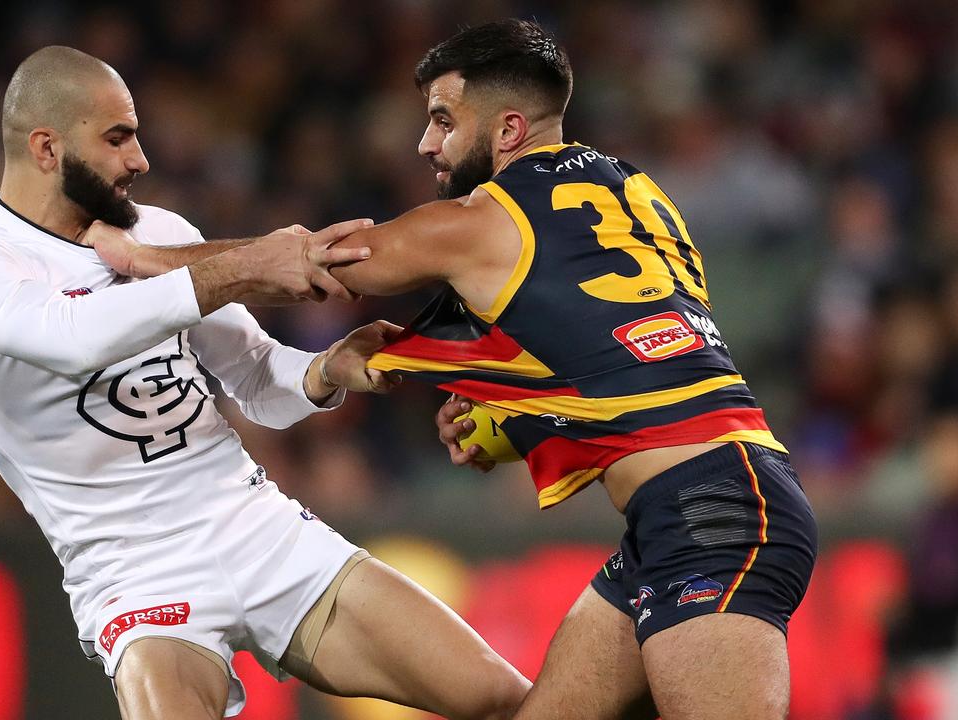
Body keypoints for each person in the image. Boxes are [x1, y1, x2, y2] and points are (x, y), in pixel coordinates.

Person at [0, 46, 529, 720]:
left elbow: (252, 374)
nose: (140, 160)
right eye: (118, 137)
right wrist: (245, 265)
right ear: (45, 148)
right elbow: (74, 339)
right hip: (134, 573)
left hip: (255, 526)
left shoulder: (157, 234)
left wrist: (326, 368)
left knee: (504, 699)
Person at [324, 19, 818, 720]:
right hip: (690, 506)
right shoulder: (635, 194)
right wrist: (514, 412)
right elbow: (625, 353)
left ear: (507, 130)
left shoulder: (486, 217)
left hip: (715, 512)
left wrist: (151, 269)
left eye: (441, 120)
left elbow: (316, 267)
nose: (425, 143)